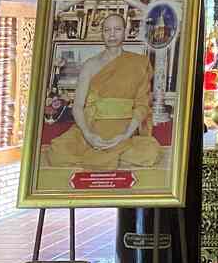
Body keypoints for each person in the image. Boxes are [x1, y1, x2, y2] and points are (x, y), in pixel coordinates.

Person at [44, 12, 164, 170]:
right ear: (102, 33)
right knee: (57, 151)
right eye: (107, 30)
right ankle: (112, 154)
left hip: (124, 127)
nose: (112, 34)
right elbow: (78, 106)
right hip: (93, 126)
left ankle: (108, 153)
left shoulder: (138, 63)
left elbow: (142, 105)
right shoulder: (90, 65)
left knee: (151, 152)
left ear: (125, 32)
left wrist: (126, 135)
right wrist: (88, 135)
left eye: (117, 29)